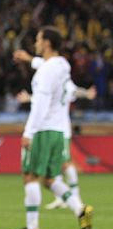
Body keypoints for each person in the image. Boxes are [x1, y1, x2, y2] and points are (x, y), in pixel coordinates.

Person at [8, 27, 92, 229]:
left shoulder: (45, 72)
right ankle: (79, 209)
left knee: (30, 176)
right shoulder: (62, 65)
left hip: (43, 130)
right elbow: (46, 65)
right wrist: (29, 59)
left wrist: (29, 132)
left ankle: (32, 227)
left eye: (38, 39)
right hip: (58, 131)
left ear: (46, 43)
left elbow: (41, 105)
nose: (35, 43)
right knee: (50, 178)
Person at [13, 51, 96, 210]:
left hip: (58, 128)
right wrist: (28, 59)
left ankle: (76, 199)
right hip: (55, 128)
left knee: (62, 165)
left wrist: (87, 94)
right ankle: (65, 199)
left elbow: (49, 98)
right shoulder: (58, 75)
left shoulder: (59, 79)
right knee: (51, 173)